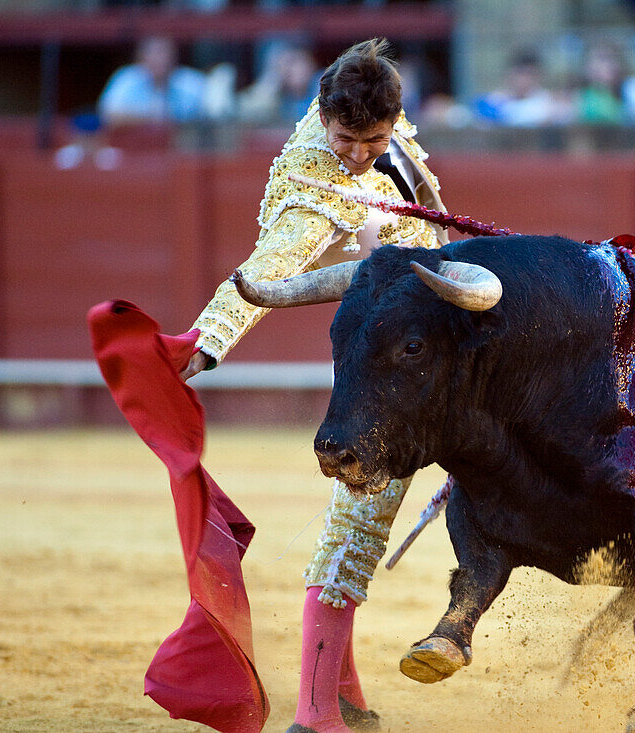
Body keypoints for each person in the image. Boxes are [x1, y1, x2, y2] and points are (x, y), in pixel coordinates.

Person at [180, 38, 449, 733]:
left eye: (374, 139)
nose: (358, 154)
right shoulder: (314, 185)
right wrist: (205, 345)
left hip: (425, 347)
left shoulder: (389, 131)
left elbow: (424, 193)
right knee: (357, 526)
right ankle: (314, 715)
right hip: (379, 377)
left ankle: (345, 692)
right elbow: (266, 270)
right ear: (321, 117)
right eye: (345, 138)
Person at [98, 36, 206, 126]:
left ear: (174, 57)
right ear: (141, 58)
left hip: (181, 144)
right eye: (154, 54)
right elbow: (108, 115)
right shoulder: (127, 78)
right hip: (135, 142)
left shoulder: (192, 81)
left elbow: (211, 117)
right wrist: (151, 119)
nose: (160, 60)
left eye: (164, 54)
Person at [574, 42, 635, 125]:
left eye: (606, 58)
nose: (599, 65)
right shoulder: (577, 94)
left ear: (618, 63)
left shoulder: (634, 87)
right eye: (594, 59)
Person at [473, 50, 565, 127]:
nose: (524, 79)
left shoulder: (549, 104)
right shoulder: (493, 102)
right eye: (520, 73)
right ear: (509, 74)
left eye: (529, 74)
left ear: (538, 76)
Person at [238, 44, 323, 125]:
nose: (289, 70)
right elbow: (246, 112)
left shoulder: (323, 82)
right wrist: (271, 83)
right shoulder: (282, 97)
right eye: (283, 66)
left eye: (293, 62)